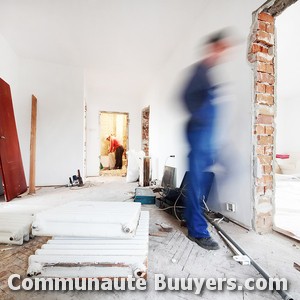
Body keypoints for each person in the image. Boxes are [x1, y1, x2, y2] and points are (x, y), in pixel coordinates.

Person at [182, 30, 232, 250]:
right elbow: (184, 97)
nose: (224, 53)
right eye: (222, 48)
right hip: (199, 135)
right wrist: (201, 119)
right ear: (213, 47)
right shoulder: (199, 72)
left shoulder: (207, 75)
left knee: (200, 182)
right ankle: (197, 231)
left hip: (207, 138)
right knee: (196, 184)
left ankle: (191, 218)